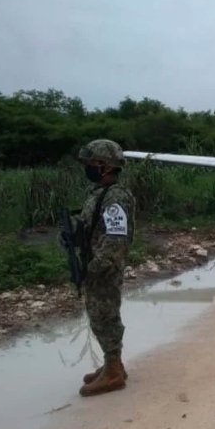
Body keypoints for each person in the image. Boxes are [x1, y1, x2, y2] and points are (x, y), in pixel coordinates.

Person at [69, 139, 136, 396]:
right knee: (99, 315)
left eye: (90, 164)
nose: (87, 168)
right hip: (96, 264)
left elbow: (116, 238)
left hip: (103, 267)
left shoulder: (115, 197)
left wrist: (97, 267)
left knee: (105, 315)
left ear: (103, 166)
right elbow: (94, 226)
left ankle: (114, 371)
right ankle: (112, 363)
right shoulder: (101, 194)